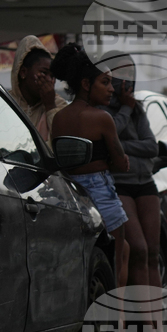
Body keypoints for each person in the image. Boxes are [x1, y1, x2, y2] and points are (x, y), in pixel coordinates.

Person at [49, 44, 131, 288]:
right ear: (86, 84)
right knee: (116, 259)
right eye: (105, 82)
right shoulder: (102, 118)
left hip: (71, 194)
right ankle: (119, 310)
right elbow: (121, 163)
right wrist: (112, 161)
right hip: (101, 192)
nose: (111, 89)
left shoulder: (59, 119)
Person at [97, 57, 161, 294]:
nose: (127, 81)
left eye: (130, 75)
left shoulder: (137, 108)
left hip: (145, 182)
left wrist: (121, 146)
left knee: (152, 252)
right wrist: (125, 109)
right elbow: (110, 134)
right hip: (120, 184)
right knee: (138, 249)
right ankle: (139, 313)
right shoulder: (100, 109)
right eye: (121, 75)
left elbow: (152, 147)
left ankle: (155, 313)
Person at [10, 36, 67, 144]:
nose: (49, 80)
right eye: (43, 73)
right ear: (23, 72)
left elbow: (63, 141)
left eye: (52, 76)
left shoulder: (59, 104)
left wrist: (50, 106)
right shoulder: (6, 103)